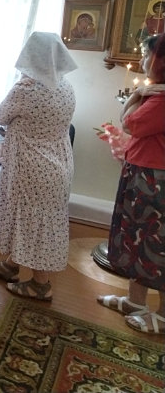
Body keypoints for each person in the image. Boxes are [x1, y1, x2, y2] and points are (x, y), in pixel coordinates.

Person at [0, 32, 77, 301]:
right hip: (59, 164)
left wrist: (21, 84)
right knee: (38, 219)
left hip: (32, 167)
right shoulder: (66, 86)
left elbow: (0, 114)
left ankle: (40, 285)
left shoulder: (27, 90)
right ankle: (11, 265)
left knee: (33, 221)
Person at [97, 33, 165, 334]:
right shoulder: (157, 94)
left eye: (148, 56)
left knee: (156, 245)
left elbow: (131, 122)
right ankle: (135, 301)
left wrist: (138, 98)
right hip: (142, 174)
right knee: (136, 240)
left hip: (156, 180)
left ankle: (162, 316)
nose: (142, 61)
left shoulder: (161, 100)